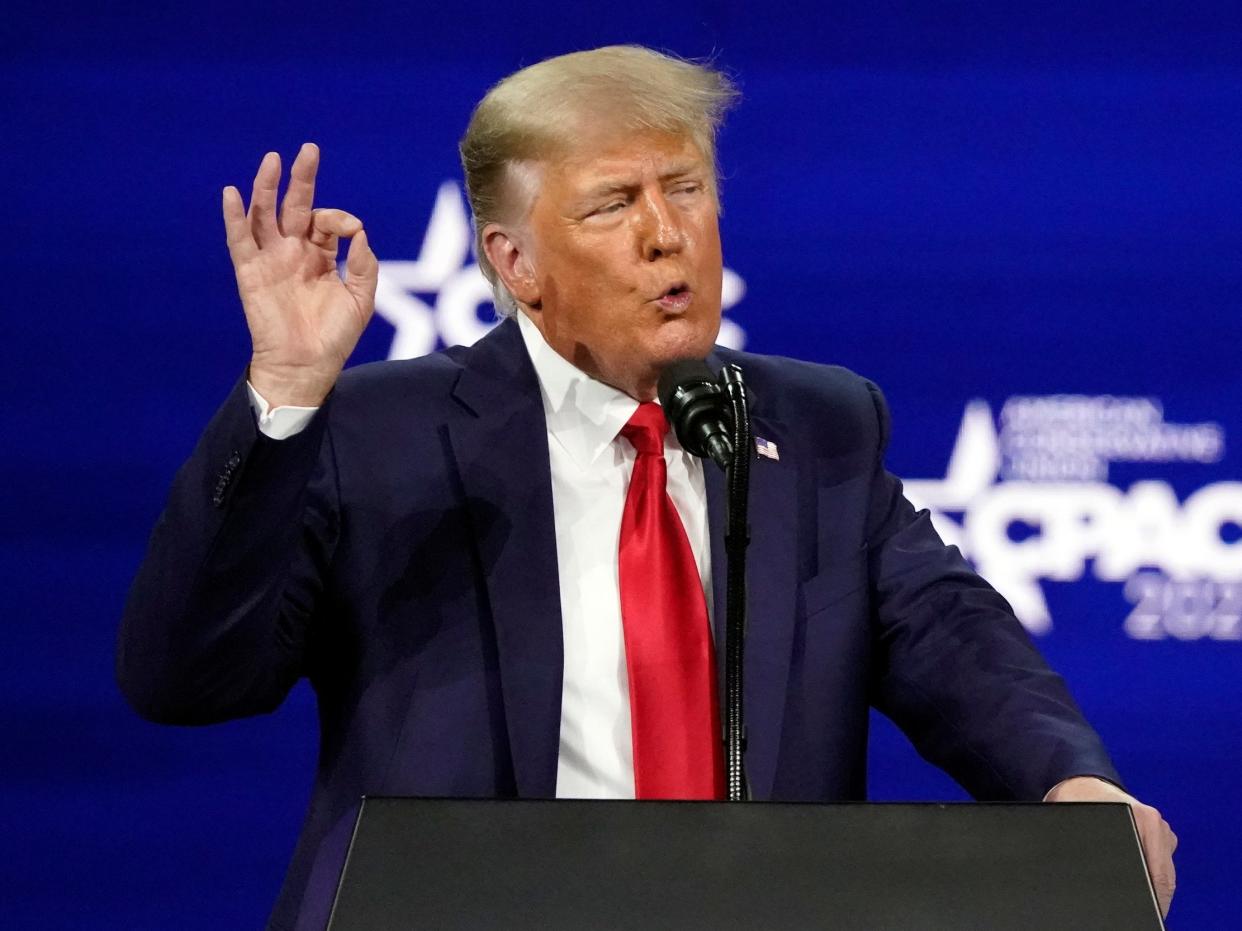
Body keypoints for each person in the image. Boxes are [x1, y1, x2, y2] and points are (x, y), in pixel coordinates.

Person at [118, 46, 1176, 931]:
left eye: (686, 188)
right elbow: (186, 678)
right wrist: (288, 395)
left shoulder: (817, 427)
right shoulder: (380, 434)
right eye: (613, 204)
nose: (666, 233)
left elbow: (951, 634)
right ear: (514, 262)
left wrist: (1067, 781)